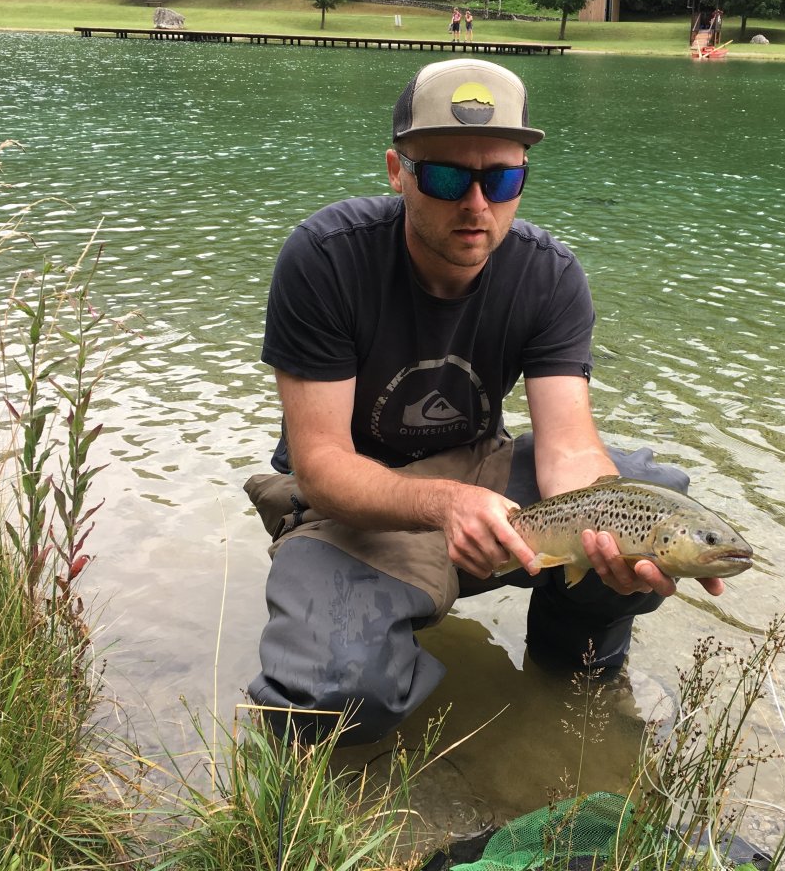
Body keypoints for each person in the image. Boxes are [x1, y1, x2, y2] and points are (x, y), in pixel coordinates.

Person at [245, 58, 727, 746]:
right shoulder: (325, 259)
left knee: (649, 497)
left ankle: (578, 680)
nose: (476, 205)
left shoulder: (549, 274)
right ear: (396, 170)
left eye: (500, 179)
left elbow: (567, 450)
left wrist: (616, 533)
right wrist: (443, 503)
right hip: (346, 508)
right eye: (446, 177)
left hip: (481, 475)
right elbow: (321, 465)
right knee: (323, 708)